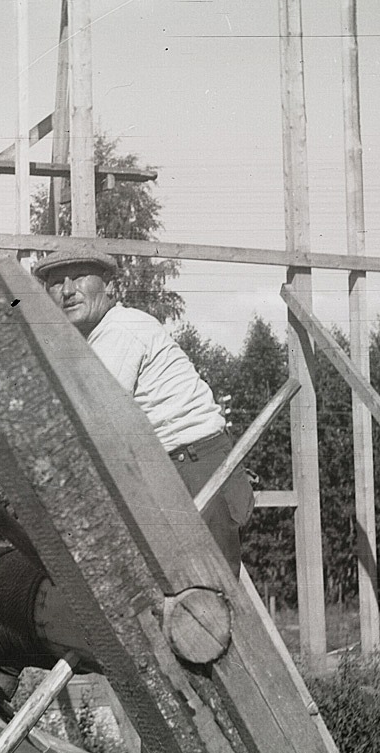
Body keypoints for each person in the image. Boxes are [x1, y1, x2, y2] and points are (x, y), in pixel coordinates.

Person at [32, 244, 253, 574]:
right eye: (56, 282)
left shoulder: (121, 329)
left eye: (78, 278)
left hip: (198, 469)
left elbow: (90, 424)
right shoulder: (89, 342)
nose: (67, 291)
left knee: (210, 597)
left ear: (109, 285)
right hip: (166, 471)